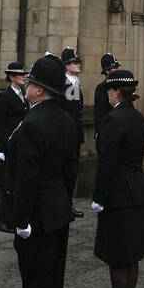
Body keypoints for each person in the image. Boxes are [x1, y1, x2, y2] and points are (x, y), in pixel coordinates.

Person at [0, 54, 78, 288]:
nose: (27, 86)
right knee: (51, 283)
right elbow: (69, 172)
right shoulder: (67, 120)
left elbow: (26, 180)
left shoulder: (33, 123)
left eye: (31, 82)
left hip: (37, 217)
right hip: (58, 212)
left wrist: (21, 222)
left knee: (35, 286)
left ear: (40, 90)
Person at [91, 68, 144, 288]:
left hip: (118, 194)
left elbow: (107, 163)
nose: (106, 94)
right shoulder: (139, 118)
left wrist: (98, 197)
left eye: (109, 90)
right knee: (132, 255)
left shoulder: (112, 121)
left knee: (118, 255)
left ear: (117, 91)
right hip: (138, 191)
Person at [0, 61, 28, 232]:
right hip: (5, 147)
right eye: (20, 75)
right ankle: (1, 220)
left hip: (19, 146)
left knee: (14, 184)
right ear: (12, 77)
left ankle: (11, 218)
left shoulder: (24, 95)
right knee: (3, 184)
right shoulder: (4, 97)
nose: (23, 77)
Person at [61, 47, 85, 217]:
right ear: (66, 65)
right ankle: (63, 205)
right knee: (65, 171)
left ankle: (68, 204)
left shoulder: (76, 82)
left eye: (78, 62)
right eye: (74, 62)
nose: (78, 65)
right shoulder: (65, 83)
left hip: (75, 134)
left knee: (72, 171)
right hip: (66, 135)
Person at [92, 53, 120, 138]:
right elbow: (99, 112)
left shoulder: (120, 85)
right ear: (107, 71)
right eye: (114, 68)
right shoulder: (101, 88)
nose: (117, 70)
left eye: (117, 67)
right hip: (107, 129)